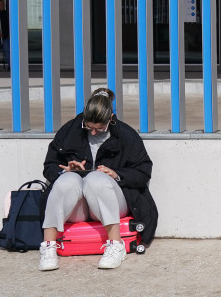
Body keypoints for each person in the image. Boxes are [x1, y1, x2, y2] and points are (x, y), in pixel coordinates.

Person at [38, 88, 158, 271]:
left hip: (111, 203)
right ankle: (48, 247)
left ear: (111, 118)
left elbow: (143, 171)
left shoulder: (126, 135)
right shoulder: (69, 131)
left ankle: (115, 245)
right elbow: (49, 165)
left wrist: (116, 174)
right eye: (88, 127)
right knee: (66, 181)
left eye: (100, 128)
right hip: (77, 206)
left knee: (96, 179)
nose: (93, 133)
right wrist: (66, 171)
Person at [0, 0, 9, 69]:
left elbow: (7, 25)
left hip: (5, 36)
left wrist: (6, 34)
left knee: (7, 51)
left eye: (3, 4)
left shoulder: (6, 13)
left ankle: (10, 65)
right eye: (1, 4)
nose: (2, 6)